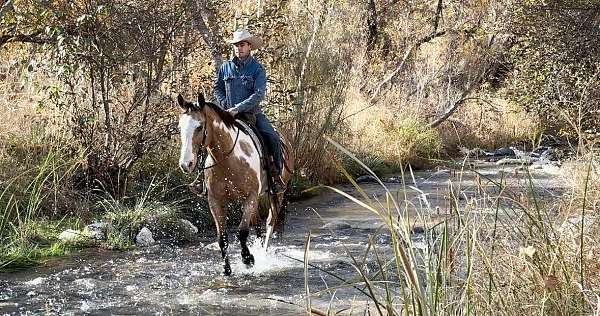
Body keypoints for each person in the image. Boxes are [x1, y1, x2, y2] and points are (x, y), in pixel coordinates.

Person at [214, 29, 286, 193]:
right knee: (208, 134)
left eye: (242, 45)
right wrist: (225, 104)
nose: (238, 48)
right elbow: (217, 88)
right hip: (228, 115)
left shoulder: (257, 69)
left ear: (249, 46)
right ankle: (202, 179)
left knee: (272, 137)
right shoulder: (225, 68)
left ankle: (276, 175)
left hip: (252, 115)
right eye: (236, 45)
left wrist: (237, 108)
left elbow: (258, 94)